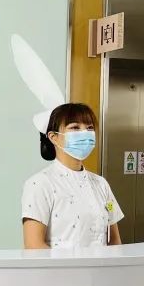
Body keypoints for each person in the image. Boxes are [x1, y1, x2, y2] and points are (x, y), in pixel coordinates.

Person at [22, 102, 122, 250]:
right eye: (75, 127)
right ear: (53, 137)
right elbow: (33, 245)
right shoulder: (40, 184)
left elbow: (115, 242)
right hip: (61, 266)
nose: (85, 133)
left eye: (89, 128)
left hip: (100, 265)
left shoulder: (101, 184)